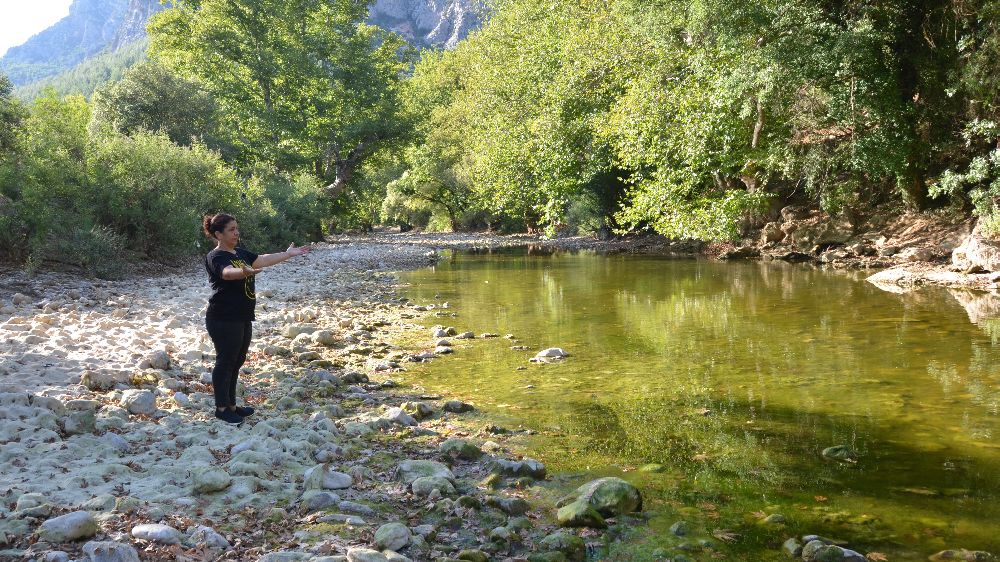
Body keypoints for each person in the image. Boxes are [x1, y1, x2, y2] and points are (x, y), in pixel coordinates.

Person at [202, 213, 311, 424]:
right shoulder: (216, 257)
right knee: (225, 361)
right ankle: (221, 408)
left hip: (242, 316)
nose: (236, 232)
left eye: (236, 228)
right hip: (223, 317)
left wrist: (287, 254)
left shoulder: (240, 252)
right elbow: (226, 273)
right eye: (231, 230)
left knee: (238, 360)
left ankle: (232, 405)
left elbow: (262, 259)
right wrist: (242, 272)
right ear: (218, 234)